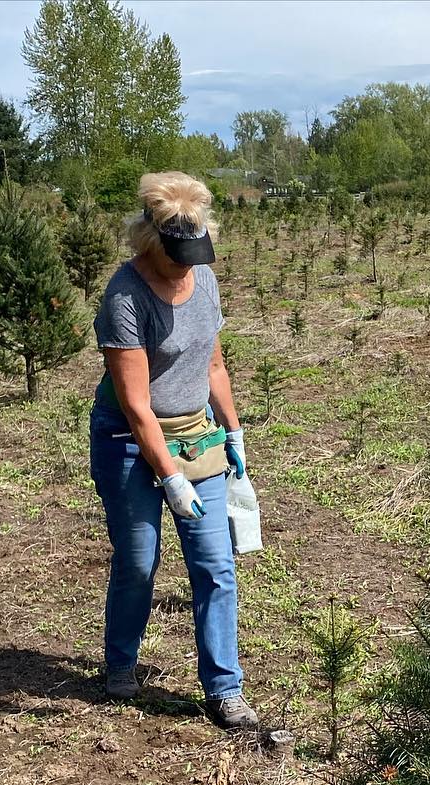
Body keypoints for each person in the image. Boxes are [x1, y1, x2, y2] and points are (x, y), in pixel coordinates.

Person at [89, 171, 258, 732]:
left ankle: (224, 688)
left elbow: (212, 362)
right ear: (150, 240)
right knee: (138, 562)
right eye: (178, 255)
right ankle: (120, 666)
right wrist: (170, 477)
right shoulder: (125, 296)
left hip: (197, 434)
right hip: (130, 443)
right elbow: (137, 406)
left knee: (215, 565)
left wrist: (232, 431)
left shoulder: (203, 280)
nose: (187, 265)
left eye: (197, 253)